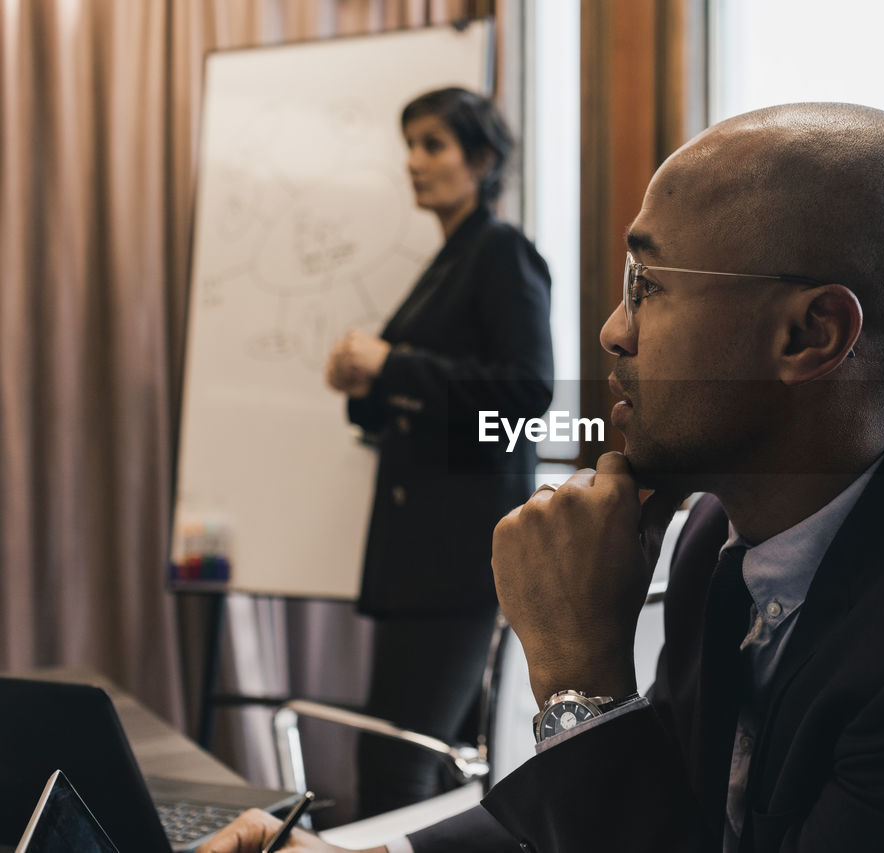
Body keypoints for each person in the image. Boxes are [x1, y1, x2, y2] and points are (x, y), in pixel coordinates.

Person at [202, 103, 884, 852]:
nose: (610, 328)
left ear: (810, 334)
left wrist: (581, 683)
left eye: (649, 285)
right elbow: (671, 805)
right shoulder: (725, 529)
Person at [323, 87, 553, 817]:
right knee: (438, 763)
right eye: (411, 145)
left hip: (454, 556)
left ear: (481, 160)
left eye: (433, 145)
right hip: (425, 555)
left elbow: (527, 390)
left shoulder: (499, 250)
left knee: (396, 762)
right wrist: (367, 383)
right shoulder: (451, 258)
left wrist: (390, 365)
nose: (414, 162)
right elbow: (433, 398)